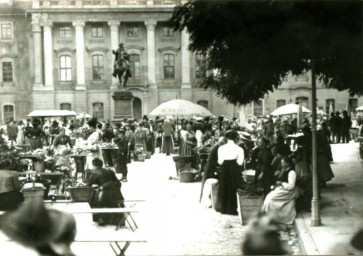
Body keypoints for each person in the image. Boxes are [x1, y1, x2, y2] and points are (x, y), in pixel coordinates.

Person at [86, 158, 125, 226]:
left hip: (105, 196)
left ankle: (100, 218)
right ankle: (109, 218)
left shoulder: (95, 172)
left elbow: (88, 184)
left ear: (94, 165)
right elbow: (118, 182)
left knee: (92, 200)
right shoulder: (109, 171)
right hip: (116, 194)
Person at [262, 157, 300, 224]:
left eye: (283, 163)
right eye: (282, 163)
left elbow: (291, 186)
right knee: (268, 197)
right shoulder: (284, 170)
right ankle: (269, 216)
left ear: (288, 163)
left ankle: (276, 217)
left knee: (271, 198)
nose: (282, 164)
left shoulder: (292, 172)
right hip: (284, 189)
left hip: (290, 191)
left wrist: (282, 183)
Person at [216, 130, 244, 215]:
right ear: (236, 138)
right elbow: (240, 163)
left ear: (226, 138)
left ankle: (223, 208)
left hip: (224, 168)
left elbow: (220, 162)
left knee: (224, 186)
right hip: (234, 168)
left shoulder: (221, 148)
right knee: (233, 187)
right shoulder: (239, 148)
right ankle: (232, 209)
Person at [199, 136, 226, 206]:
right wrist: (218, 166)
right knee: (208, 184)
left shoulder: (217, 147)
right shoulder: (217, 148)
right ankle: (207, 199)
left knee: (207, 183)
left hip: (212, 167)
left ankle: (210, 199)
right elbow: (211, 160)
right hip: (211, 168)